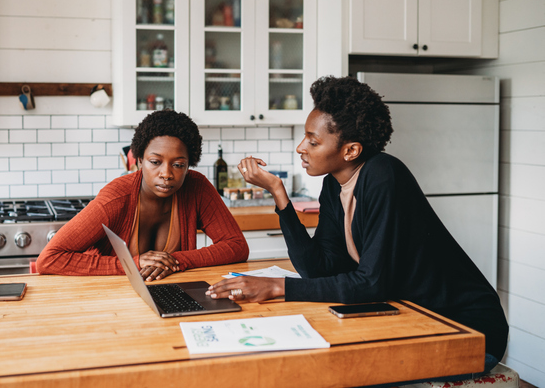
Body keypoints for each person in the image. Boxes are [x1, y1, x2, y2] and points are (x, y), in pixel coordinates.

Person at [206, 75, 508, 376]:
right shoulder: (333, 185)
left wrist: (275, 286)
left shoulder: (384, 176)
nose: (301, 147)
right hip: (409, 316)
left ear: (350, 150)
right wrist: (279, 194)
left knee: (332, 373)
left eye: (313, 141)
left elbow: (371, 283)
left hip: (465, 329)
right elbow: (318, 268)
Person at [37, 109, 249, 280]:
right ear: (139, 161)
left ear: (189, 165)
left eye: (178, 165)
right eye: (155, 162)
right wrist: (134, 264)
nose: (166, 174)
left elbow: (236, 246)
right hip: (110, 298)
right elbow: (49, 259)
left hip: (171, 294)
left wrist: (177, 261)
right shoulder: (116, 199)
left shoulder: (196, 187)